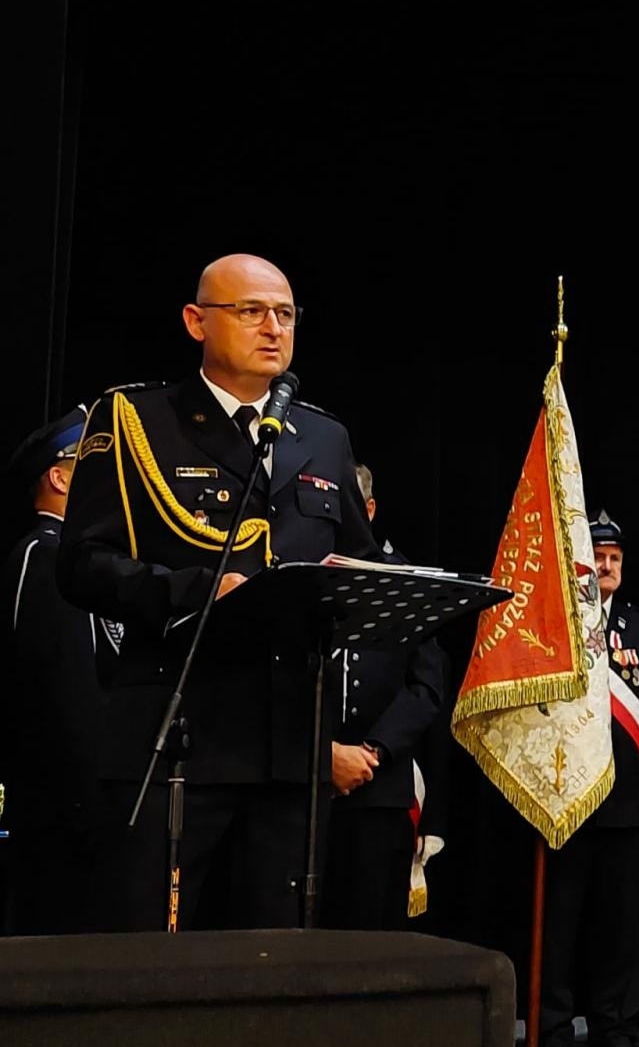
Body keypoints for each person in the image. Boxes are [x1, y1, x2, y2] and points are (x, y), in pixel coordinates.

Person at [57, 252, 380, 930]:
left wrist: (365, 590)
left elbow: (358, 559)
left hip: (290, 746)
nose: (273, 328)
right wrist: (196, 590)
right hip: (180, 731)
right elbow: (83, 563)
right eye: (252, 311)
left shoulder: (323, 436)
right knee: (156, 956)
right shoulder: (137, 421)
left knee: (274, 962)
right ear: (196, 321)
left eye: (286, 314)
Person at [538, 511, 639, 1047]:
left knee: (619, 926)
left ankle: (616, 1029)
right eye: (599, 557)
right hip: (568, 797)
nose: (608, 566)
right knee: (560, 923)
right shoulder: (554, 623)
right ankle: (550, 1030)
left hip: (625, 801)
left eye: (615, 559)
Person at [319, 462, 448, 932]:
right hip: (300, 787)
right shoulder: (294, 575)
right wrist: (324, 755)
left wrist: (371, 752)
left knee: (370, 943)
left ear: (369, 509)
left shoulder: (407, 583)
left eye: (350, 506)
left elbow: (427, 687)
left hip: (380, 791)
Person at [0, 408, 115, 934]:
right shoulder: (44, 558)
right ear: (60, 476)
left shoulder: (80, 560)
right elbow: (63, 695)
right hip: (61, 816)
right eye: (90, 461)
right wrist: (89, 806)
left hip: (85, 810)